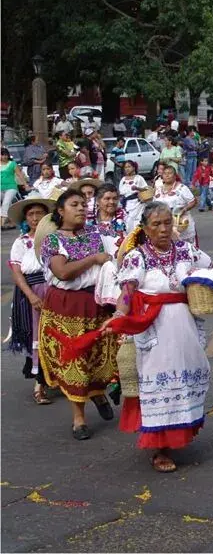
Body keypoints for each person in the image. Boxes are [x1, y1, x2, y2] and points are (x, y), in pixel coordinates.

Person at [106, 201, 213, 472]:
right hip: (154, 328)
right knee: (160, 384)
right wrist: (120, 315)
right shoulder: (137, 256)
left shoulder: (186, 250)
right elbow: (128, 290)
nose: (164, 229)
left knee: (186, 379)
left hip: (186, 326)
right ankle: (160, 448)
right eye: (156, 224)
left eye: (167, 222)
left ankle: (181, 432)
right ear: (145, 229)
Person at [37, 190, 118, 440]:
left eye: (83, 204)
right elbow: (63, 272)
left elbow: (119, 252)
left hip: (96, 302)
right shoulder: (53, 240)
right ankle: (79, 418)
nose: (82, 208)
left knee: (99, 356)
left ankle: (97, 393)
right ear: (61, 211)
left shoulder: (97, 234)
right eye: (74, 204)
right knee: (74, 361)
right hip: (66, 307)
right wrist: (94, 259)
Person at [7, 197, 55, 404]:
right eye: (31, 214)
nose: (35, 218)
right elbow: (17, 272)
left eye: (39, 213)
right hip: (33, 291)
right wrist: (31, 296)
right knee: (37, 335)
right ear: (26, 219)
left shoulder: (55, 239)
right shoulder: (21, 242)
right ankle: (39, 384)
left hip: (55, 290)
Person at [155, 165, 197, 245]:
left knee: (185, 248)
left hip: (181, 223)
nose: (167, 175)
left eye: (170, 173)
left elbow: (193, 201)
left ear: (175, 176)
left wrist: (183, 210)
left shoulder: (182, 188)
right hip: (165, 224)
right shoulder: (158, 190)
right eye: (165, 173)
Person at [1, 147, 29, 229]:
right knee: (8, 205)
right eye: (1, 155)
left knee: (6, 203)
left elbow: (19, 174)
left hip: (11, 187)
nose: (3, 157)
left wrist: (26, 185)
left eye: (5, 155)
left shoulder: (12, 164)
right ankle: (12, 222)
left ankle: (2, 223)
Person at [118, 161, 148, 233]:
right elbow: (120, 192)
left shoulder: (139, 178)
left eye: (129, 167)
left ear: (134, 168)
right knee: (126, 221)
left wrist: (138, 188)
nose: (127, 169)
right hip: (126, 203)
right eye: (125, 167)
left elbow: (146, 189)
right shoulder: (123, 179)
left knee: (137, 221)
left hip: (137, 203)